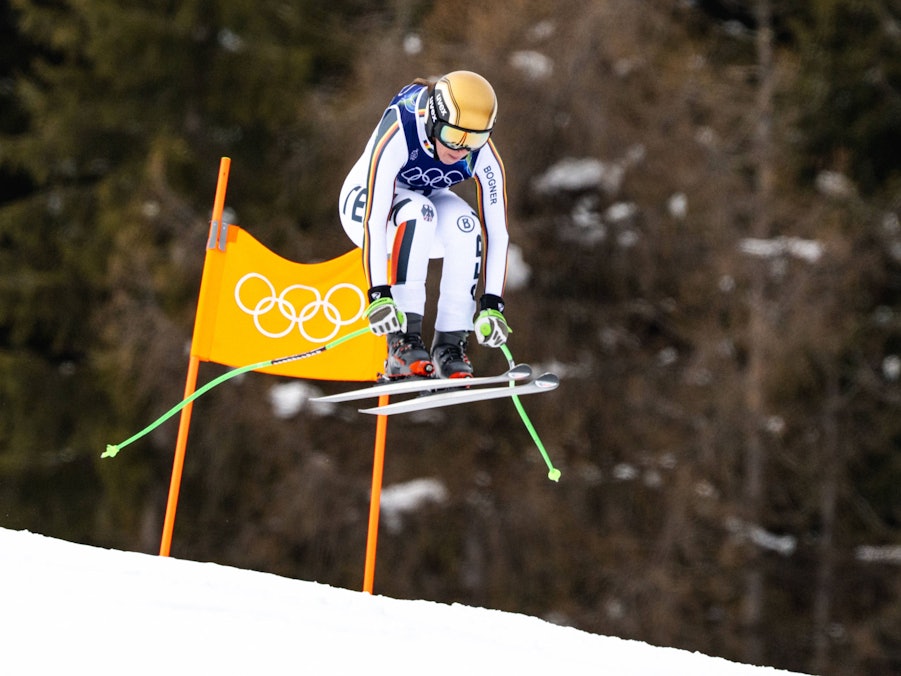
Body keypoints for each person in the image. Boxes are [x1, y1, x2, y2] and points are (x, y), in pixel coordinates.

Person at [339, 70, 512, 380]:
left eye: (473, 139)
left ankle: (450, 346)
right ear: (434, 119)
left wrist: (492, 305)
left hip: (425, 207)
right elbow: (374, 221)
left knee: (465, 225)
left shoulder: (481, 152)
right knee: (419, 212)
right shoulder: (402, 125)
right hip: (365, 205)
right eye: (453, 136)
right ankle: (402, 344)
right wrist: (379, 295)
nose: (460, 149)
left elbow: (497, 233)